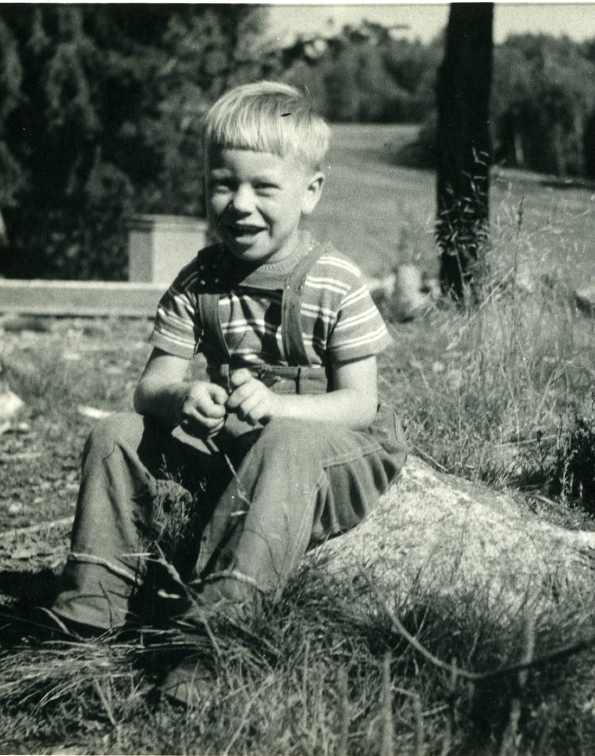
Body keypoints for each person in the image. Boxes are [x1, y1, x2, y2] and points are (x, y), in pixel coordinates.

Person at [47, 81, 407, 704]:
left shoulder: (335, 282)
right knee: (114, 434)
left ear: (310, 192)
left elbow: (360, 403)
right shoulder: (200, 281)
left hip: (333, 451)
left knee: (289, 441)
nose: (240, 204)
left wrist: (281, 405)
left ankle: (215, 635)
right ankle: (90, 613)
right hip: (236, 447)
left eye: (263, 188)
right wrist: (182, 398)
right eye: (223, 183)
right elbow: (150, 387)